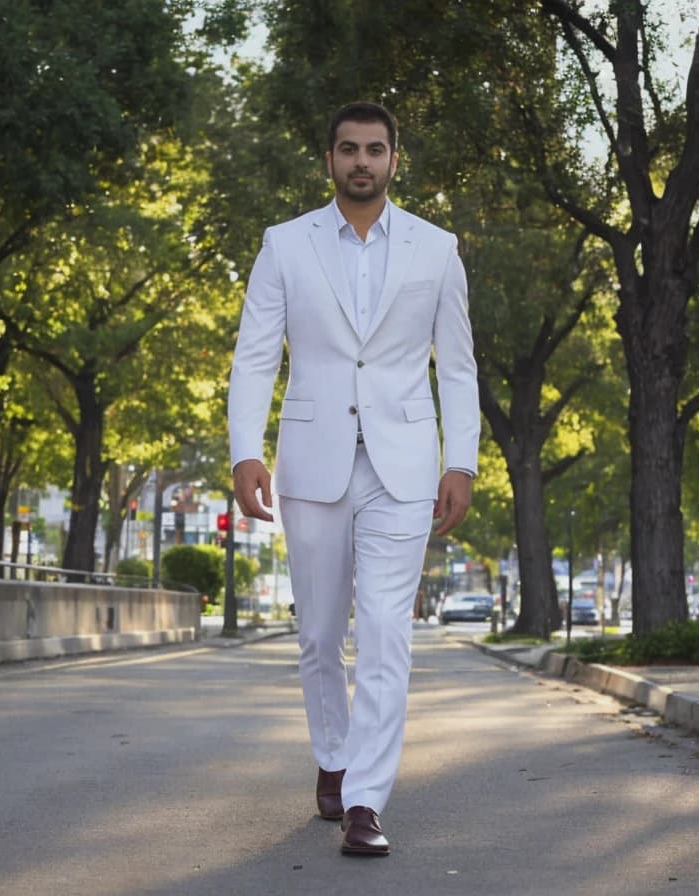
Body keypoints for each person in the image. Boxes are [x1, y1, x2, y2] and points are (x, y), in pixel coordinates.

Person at [227, 101, 481, 856]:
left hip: (403, 466)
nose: (361, 162)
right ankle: (333, 756)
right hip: (313, 460)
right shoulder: (284, 244)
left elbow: (458, 366)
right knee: (317, 634)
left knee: (383, 632)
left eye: (375, 149)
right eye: (348, 150)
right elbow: (254, 355)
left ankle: (367, 800)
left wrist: (460, 461)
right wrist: (246, 451)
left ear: (394, 159)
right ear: (329, 159)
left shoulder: (438, 250)